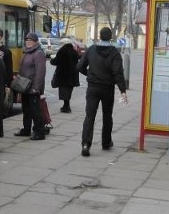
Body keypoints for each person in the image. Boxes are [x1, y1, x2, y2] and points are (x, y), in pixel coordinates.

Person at [77, 27, 127, 157]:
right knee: (107, 115)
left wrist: (90, 74)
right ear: (110, 37)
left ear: (100, 36)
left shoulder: (91, 49)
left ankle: (86, 144)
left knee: (90, 116)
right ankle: (106, 142)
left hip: (93, 87)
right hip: (107, 88)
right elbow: (118, 73)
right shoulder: (114, 52)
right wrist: (122, 90)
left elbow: (80, 66)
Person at [14, 32, 47, 141]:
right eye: (27, 40)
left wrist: (36, 88)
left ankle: (39, 132)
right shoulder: (27, 52)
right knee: (26, 110)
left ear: (36, 42)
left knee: (35, 111)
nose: (28, 42)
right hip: (24, 87)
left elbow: (40, 72)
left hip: (32, 87)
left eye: (30, 40)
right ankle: (26, 129)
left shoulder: (39, 53)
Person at [51, 37, 80, 113]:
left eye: (61, 43)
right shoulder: (74, 51)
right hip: (73, 75)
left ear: (64, 44)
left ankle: (66, 107)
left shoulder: (62, 51)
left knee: (64, 91)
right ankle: (66, 106)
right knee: (68, 91)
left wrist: (51, 60)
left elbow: (56, 61)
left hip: (63, 75)